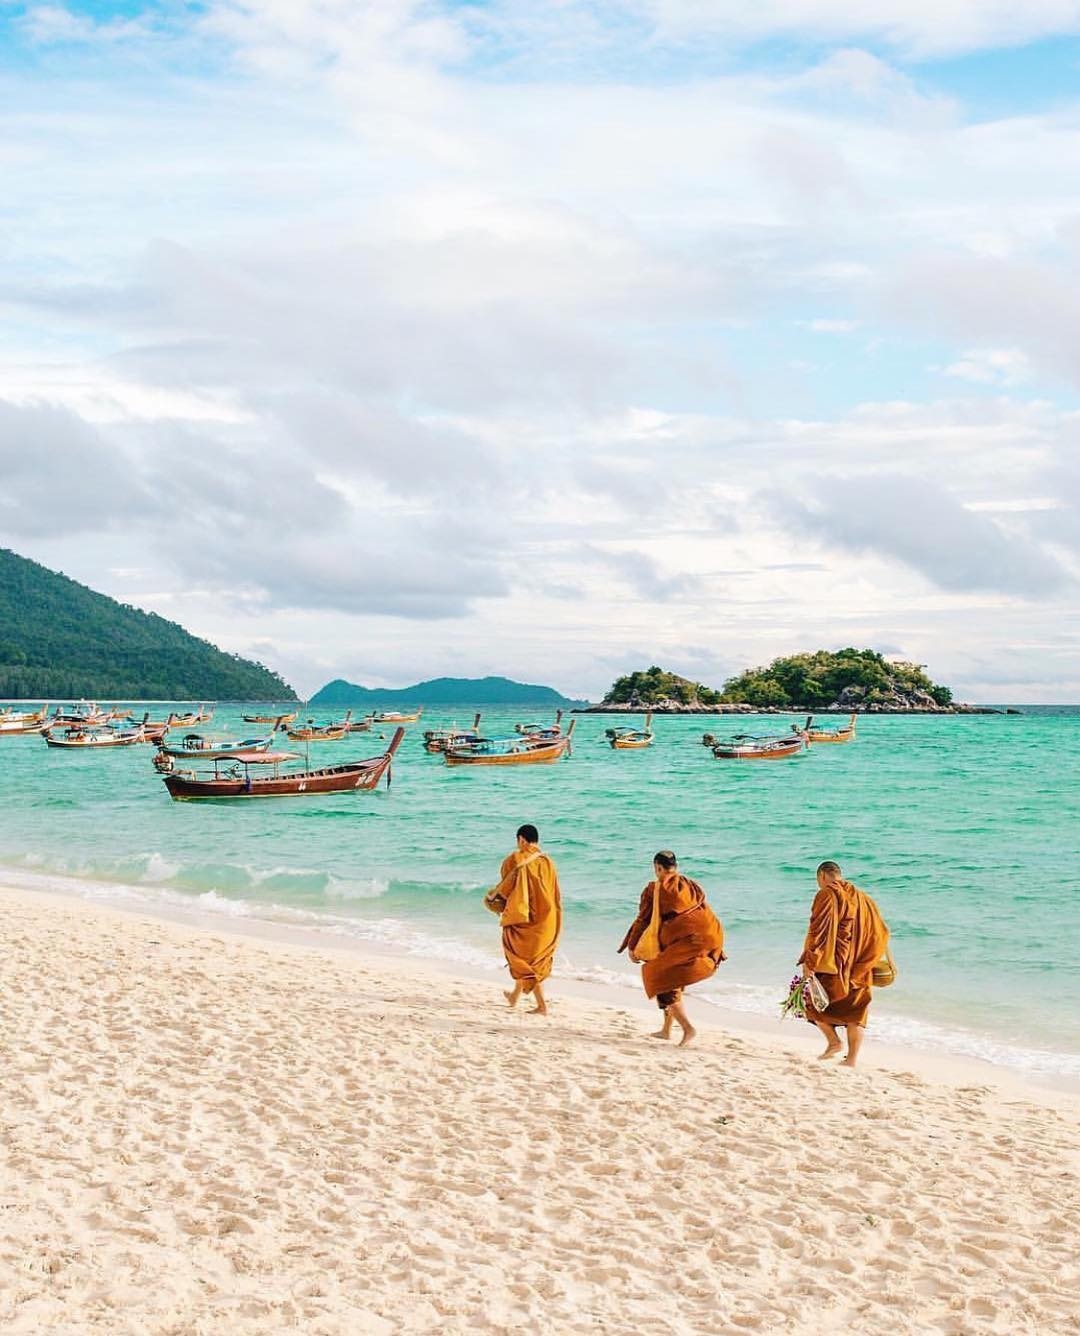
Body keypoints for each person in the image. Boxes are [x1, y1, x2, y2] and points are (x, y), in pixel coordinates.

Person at [617, 851, 726, 1047]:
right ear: (675, 867)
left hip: (687, 939)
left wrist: (631, 946)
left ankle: (688, 1029)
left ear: (657, 867)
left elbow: (642, 920)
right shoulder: (690, 884)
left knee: (659, 977)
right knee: (673, 978)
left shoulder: (654, 889)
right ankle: (666, 1030)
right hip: (712, 932)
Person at [799, 860, 890, 1068]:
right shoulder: (864, 898)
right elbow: (882, 932)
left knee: (812, 1005)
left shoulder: (826, 895)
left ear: (822, 876)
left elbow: (819, 932)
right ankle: (851, 1060)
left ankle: (834, 1042)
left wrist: (810, 961)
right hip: (861, 967)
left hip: (835, 967)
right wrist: (868, 959)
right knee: (856, 1015)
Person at [483, 824, 562, 1016]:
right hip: (549, 920)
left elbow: (506, 886)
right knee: (532, 959)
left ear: (521, 839)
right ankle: (514, 996)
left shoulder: (516, 859)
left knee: (520, 958)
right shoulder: (549, 861)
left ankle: (542, 1006)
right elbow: (555, 893)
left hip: (526, 920)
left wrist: (491, 897)